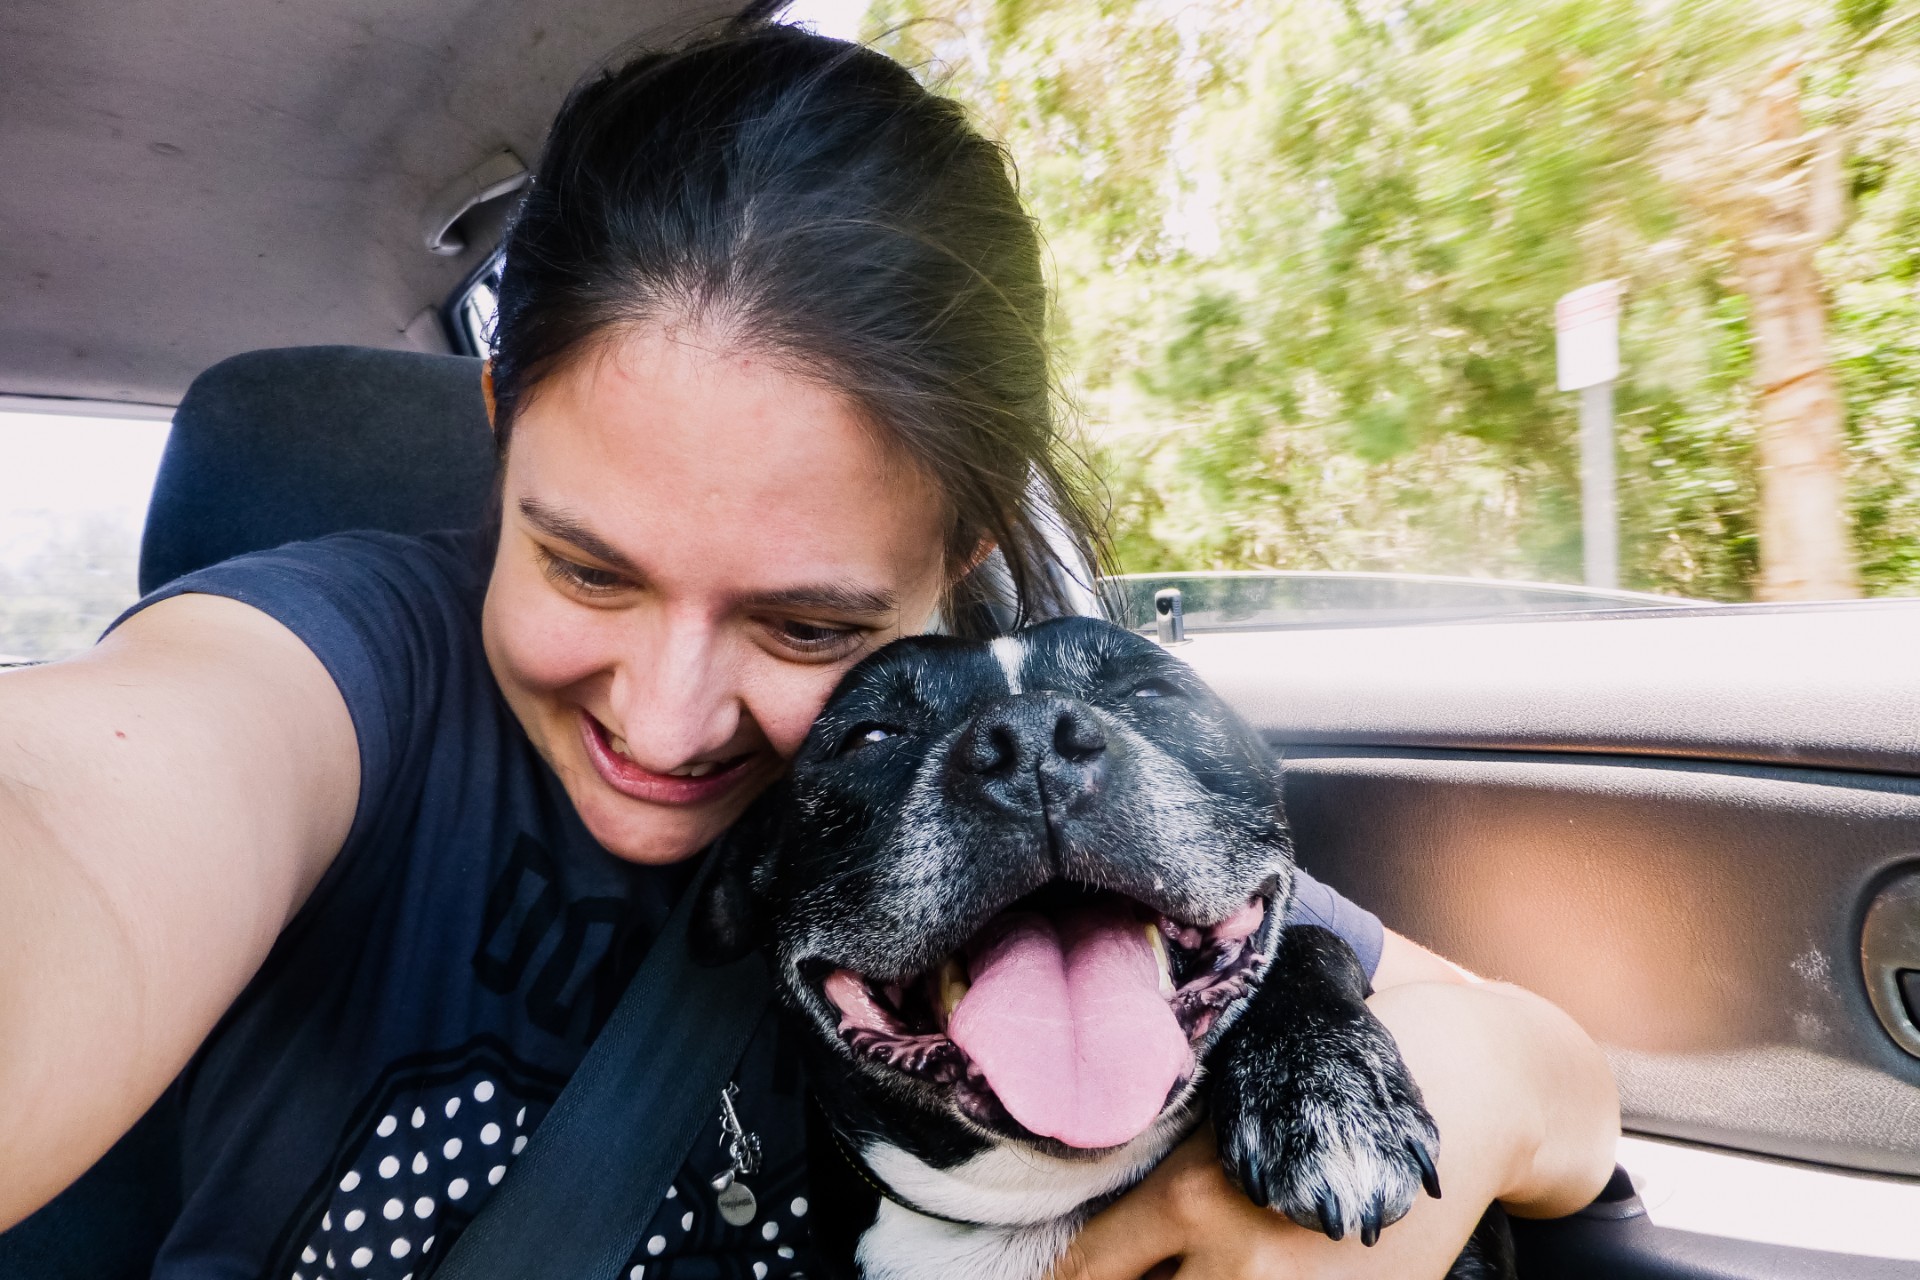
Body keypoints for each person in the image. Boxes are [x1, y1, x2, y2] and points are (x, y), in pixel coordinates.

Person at [0, 18, 1617, 1280]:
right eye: (586, 567)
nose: (671, 715)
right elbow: (76, 822)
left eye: (809, 623)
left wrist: (1430, 1132)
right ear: (497, 423)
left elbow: (1553, 1077)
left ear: (962, 551)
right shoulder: (348, 677)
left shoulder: (1002, 770)